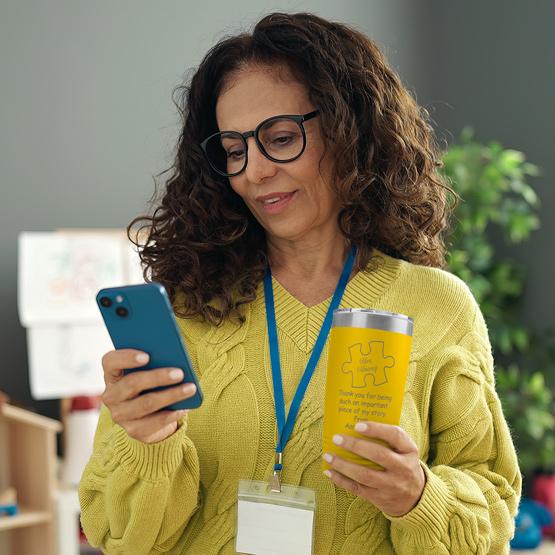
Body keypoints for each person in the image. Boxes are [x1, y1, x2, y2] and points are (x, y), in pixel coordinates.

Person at [79, 12, 521, 554]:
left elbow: (493, 510)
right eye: (235, 151)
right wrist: (147, 441)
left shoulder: (436, 308)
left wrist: (418, 496)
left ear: (349, 131)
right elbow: (118, 536)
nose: (254, 172)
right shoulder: (191, 308)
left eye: (281, 138)